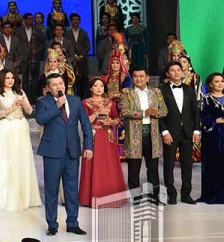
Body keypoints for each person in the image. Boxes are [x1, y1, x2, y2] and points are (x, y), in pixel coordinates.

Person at [35, 73, 93, 235]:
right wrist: (57, 106)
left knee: (72, 190)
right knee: (52, 190)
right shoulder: (43, 102)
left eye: (60, 83)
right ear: (48, 88)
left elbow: (86, 124)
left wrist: (88, 146)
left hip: (72, 151)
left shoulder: (75, 100)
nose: (59, 87)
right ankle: (52, 224)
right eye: (54, 85)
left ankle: (72, 223)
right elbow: (41, 119)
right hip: (53, 151)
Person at [0, 70, 42, 213]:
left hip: (20, 126)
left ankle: (24, 196)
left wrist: (23, 102)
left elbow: (29, 111)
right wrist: (13, 107)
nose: (10, 80)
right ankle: (7, 197)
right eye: (7, 78)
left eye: (12, 78)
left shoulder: (20, 92)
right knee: (6, 160)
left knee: (22, 159)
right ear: (2, 79)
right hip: (6, 128)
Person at [78, 77, 126, 207]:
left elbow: (117, 119)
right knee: (93, 165)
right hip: (92, 137)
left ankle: (110, 197)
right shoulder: (85, 103)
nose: (99, 88)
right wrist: (97, 113)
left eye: (101, 86)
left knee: (109, 164)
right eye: (96, 86)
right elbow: (85, 121)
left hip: (107, 137)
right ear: (90, 88)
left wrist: (111, 121)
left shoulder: (110, 102)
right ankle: (91, 197)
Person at [120, 67, 166, 200]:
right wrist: (144, 113)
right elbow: (124, 111)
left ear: (147, 78)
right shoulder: (126, 92)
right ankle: (135, 197)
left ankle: (155, 196)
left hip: (152, 135)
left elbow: (164, 110)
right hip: (134, 135)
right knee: (134, 169)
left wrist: (156, 112)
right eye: (135, 76)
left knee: (153, 168)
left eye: (141, 76)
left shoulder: (155, 91)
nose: (138, 79)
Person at [159, 60, 201, 204]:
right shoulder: (161, 90)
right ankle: (171, 194)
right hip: (170, 132)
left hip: (187, 132)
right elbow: (159, 113)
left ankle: (186, 194)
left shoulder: (189, 89)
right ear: (167, 73)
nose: (176, 73)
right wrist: (164, 131)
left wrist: (197, 130)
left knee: (187, 165)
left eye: (179, 70)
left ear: (183, 72)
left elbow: (195, 112)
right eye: (173, 70)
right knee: (169, 164)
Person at [200, 73, 224, 204]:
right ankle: (213, 194)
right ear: (210, 84)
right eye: (217, 81)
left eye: (222, 81)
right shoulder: (206, 99)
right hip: (213, 138)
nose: (220, 84)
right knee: (213, 164)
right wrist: (216, 121)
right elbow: (202, 117)